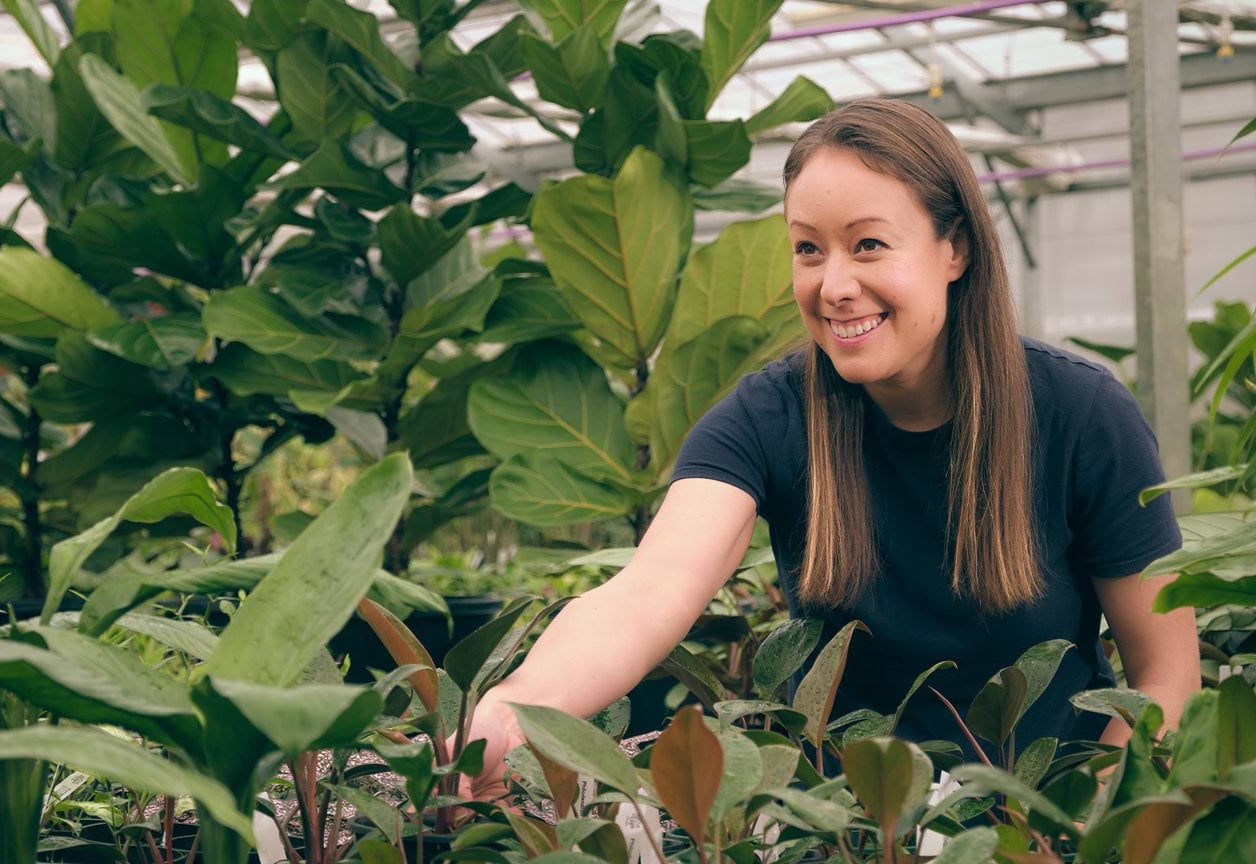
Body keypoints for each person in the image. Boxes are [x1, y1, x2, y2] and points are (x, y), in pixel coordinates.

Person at [462, 98, 1200, 799]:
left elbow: (1166, 678)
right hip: (840, 824)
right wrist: (517, 707)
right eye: (808, 249)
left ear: (956, 248)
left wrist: (1079, 823)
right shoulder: (769, 415)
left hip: (1038, 819)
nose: (834, 284)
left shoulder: (1079, 414)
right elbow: (648, 592)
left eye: (869, 244)